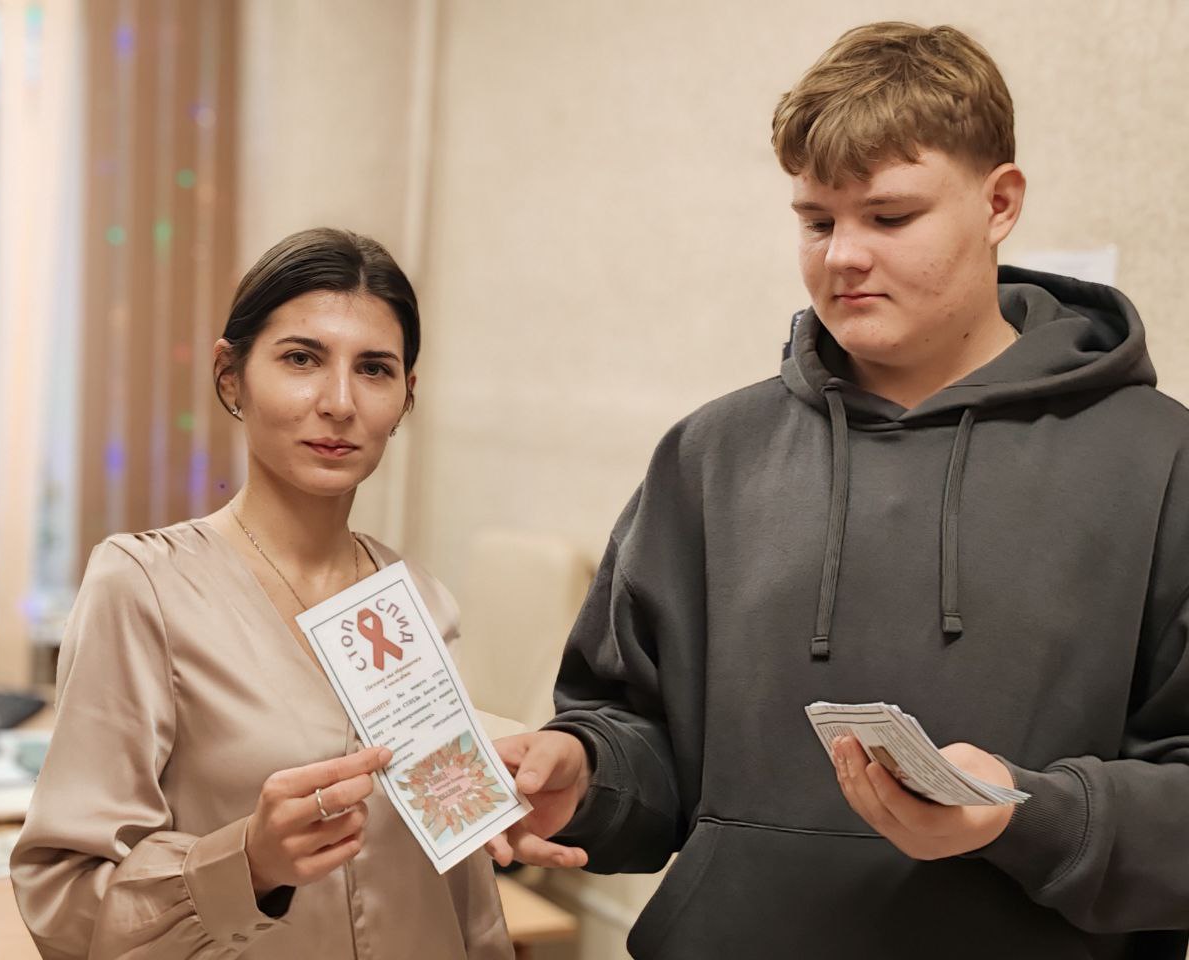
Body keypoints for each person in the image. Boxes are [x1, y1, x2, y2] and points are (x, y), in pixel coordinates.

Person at [486, 22, 1189, 959]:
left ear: (1000, 203)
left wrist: (1028, 815)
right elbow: (639, 735)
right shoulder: (709, 456)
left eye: (889, 218)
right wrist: (583, 775)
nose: (843, 255)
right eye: (818, 222)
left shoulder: (1160, 461)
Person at [11, 228, 513, 959]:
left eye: (374, 369)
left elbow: (464, 892)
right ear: (231, 375)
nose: (339, 402)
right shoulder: (145, 587)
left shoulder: (418, 603)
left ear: (406, 396)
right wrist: (246, 865)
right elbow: (62, 900)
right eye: (302, 359)